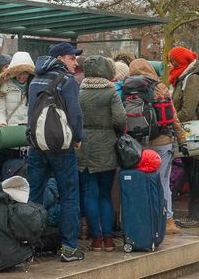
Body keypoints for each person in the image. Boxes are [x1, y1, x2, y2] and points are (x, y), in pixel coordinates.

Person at [27, 42, 84, 262]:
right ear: (60, 58)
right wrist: (77, 138)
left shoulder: (35, 80)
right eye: (72, 58)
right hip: (62, 147)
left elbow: (31, 113)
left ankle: (30, 246)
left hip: (37, 145)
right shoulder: (68, 82)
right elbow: (76, 115)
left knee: (34, 196)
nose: (76, 62)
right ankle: (69, 248)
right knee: (69, 196)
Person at [128, 58, 188, 234]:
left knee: (140, 181)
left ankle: (144, 219)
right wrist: (182, 139)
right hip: (162, 141)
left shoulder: (127, 88)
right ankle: (167, 220)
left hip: (138, 143)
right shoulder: (159, 87)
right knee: (162, 181)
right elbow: (173, 117)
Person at [77, 55, 126, 251]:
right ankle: (109, 239)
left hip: (84, 146)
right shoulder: (110, 91)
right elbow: (120, 118)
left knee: (89, 193)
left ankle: (95, 239)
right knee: (105, 194)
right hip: (107, 145)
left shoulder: (78, 90)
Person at [168, 46, 199, 228]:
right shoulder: (181, 78)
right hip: (188, 133)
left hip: (195, 134)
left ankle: (198, 216)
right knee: (193, 175)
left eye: (173, 61)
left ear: (180, 62)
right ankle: (195, 215)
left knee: (198, 176)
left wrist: (170, 119)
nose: (170, 64)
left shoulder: (191, 79)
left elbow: (188, 111)